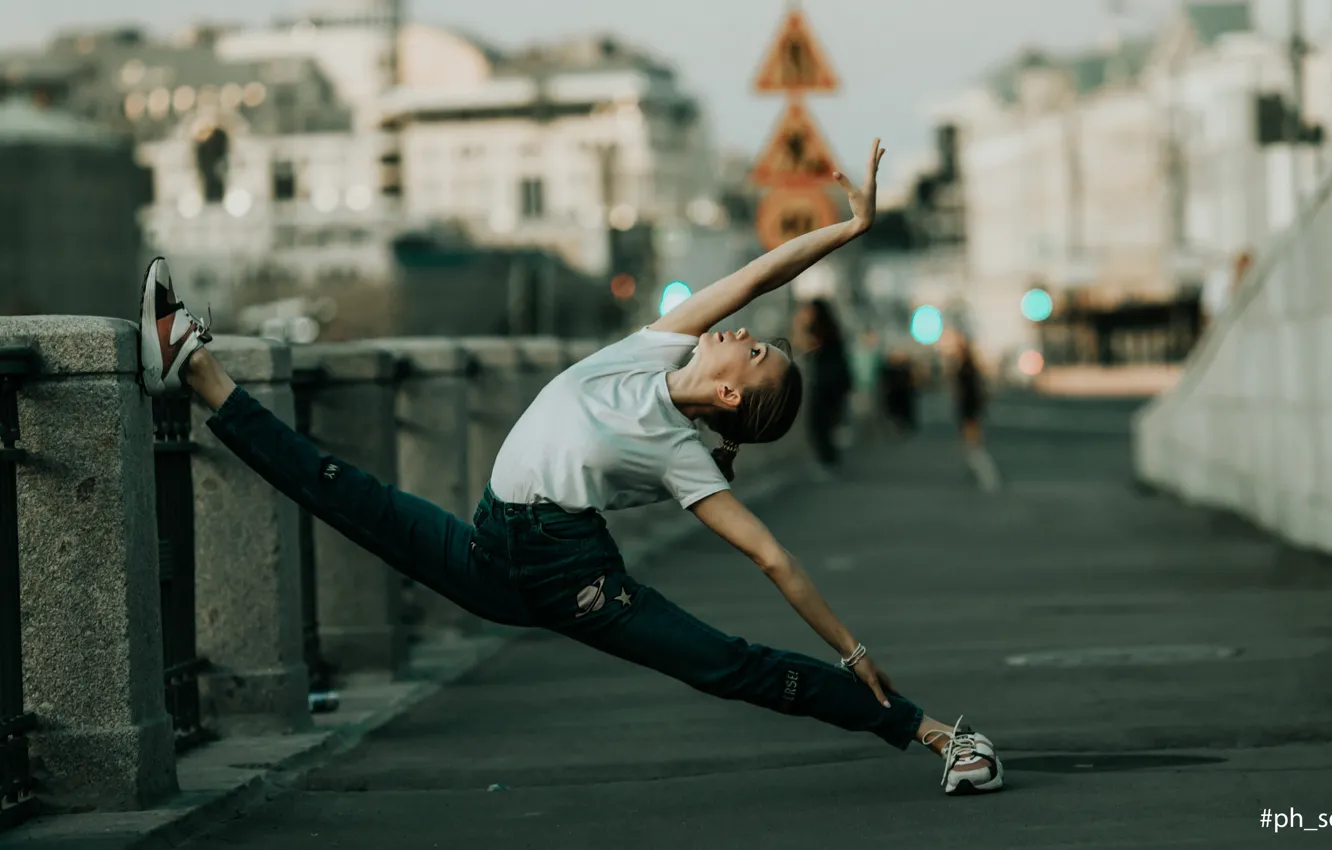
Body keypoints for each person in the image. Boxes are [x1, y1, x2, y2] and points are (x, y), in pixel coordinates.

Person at [136, 138, 1002, 797]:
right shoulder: (649, 350)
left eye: (759, 350)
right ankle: (197, 367)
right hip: (494, 547)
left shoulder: (679, 452)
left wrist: (855, 653)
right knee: (345, 495)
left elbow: (773, 557)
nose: (745, 331)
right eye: (757, 332)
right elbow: (754, 274)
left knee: (728, 665)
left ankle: (937, 736)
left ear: (734, 399)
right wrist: (849, 229)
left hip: (573, 574)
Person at [793, 298, 853, 474]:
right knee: (826, 423)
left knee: (818, 423)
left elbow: (802, 346)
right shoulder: (832, 329)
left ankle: (827, 461)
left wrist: (798, 325)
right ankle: (829, 459)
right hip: (835, 381)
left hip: (826, 382)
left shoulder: (820, 330)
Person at [952, 336, 1000, 492]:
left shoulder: (967, 369)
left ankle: (988, 477)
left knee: (973, 447)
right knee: (972, 446)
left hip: (969, 412)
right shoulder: (970, 369)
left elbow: (969, 394)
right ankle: (983, 476)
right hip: (970, 411)